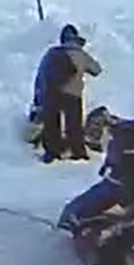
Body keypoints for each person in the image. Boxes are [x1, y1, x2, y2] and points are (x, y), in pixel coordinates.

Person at [32, 26, 102, 163]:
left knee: (52, 124)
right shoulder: (80, 54)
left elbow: (41, 76)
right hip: (73, 94)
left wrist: (38, 98)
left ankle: (52, 152)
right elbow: (97, 70)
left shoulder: (51, 53)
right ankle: (77, 152)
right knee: (74, 124)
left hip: (51, 94)